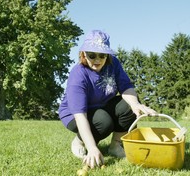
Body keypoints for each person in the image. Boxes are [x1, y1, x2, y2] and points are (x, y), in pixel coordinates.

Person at [58, 30, 157, 168]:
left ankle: (116, 146)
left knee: (129, 104)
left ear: (107, 55)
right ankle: (79, 141)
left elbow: (126, 87)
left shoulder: (113, 64)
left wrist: (135, 105)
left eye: (102, 55)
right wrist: (92, 147)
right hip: (74, 114)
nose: (97, 60)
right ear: (83, 54)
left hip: (101, 105)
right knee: (103, 121)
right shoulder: (78, 75)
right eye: (92, 55)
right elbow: (80, 115)